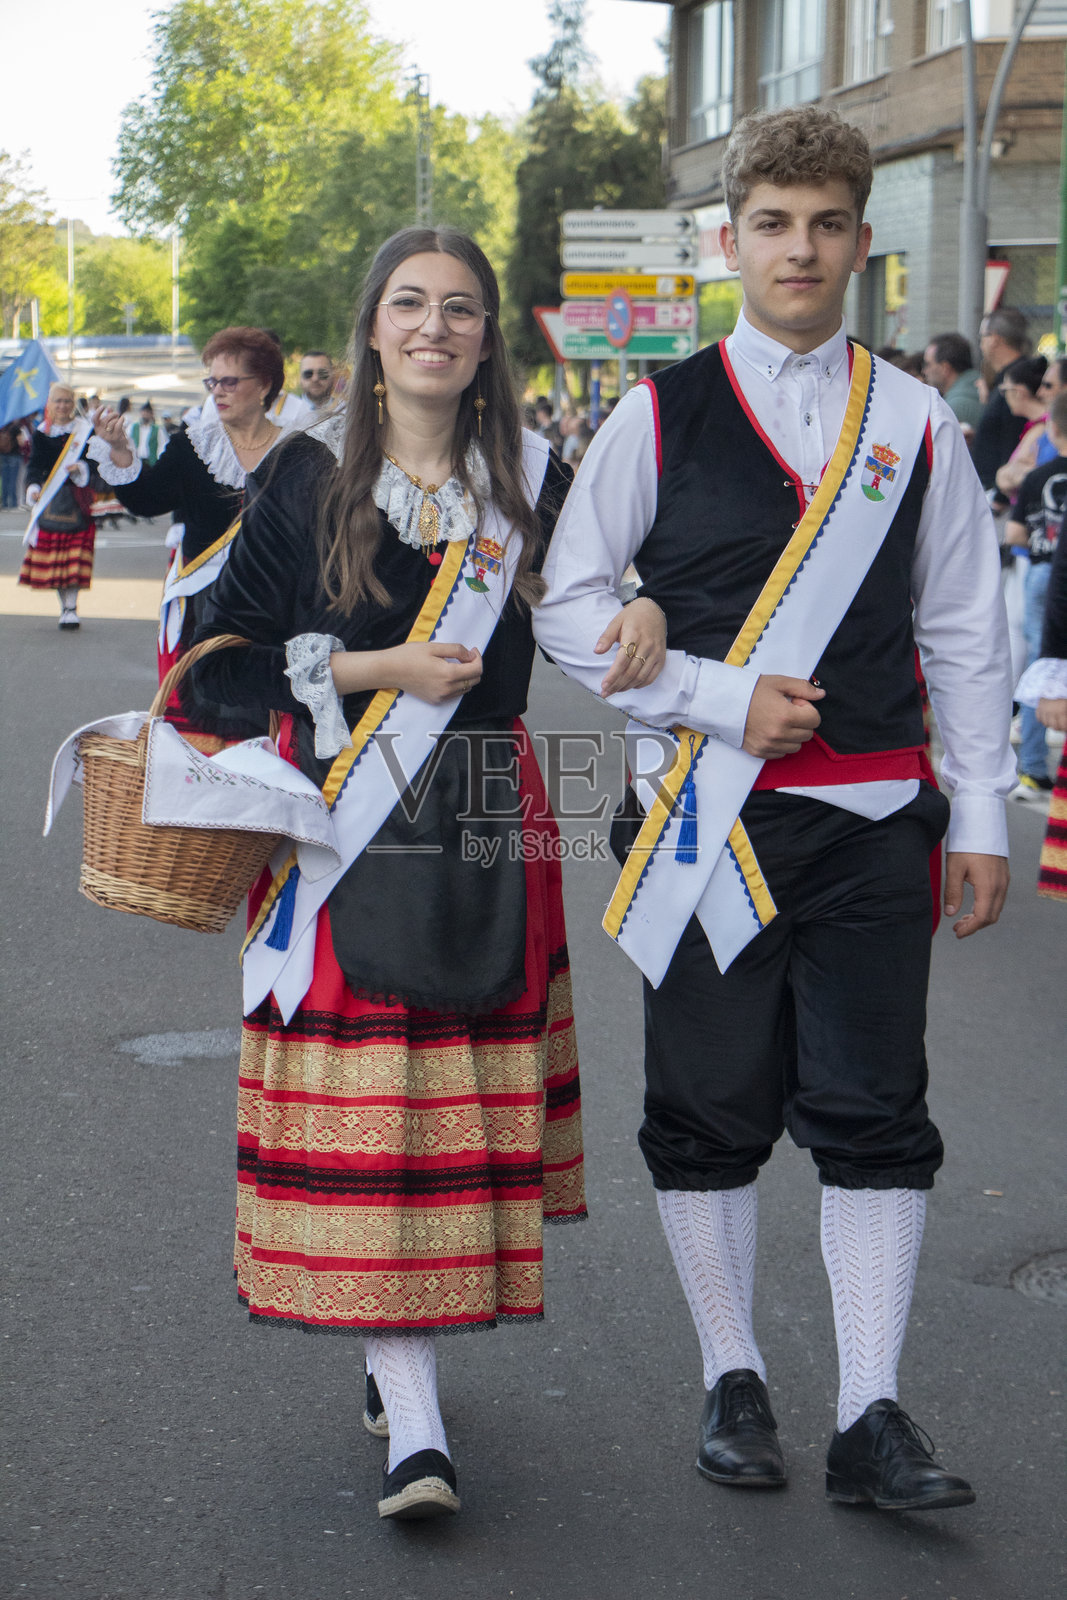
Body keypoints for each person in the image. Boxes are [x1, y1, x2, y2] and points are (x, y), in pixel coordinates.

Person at [533, 104, 1015, 1514]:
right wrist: (699, 692)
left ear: (860, 245)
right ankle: (730, 1374)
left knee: (872, 1110)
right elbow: (565, 598)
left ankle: (867, 1408)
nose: (795, 248)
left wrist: (979, 814)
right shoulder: (651, 413)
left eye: (821, 226)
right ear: (724, 240)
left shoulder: (915, 422)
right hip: (700, 819)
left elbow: (965, 631)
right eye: (769, 224)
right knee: (706, 1106)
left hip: (871, 816)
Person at [184, 226, 665, 1524]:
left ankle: (395, 1364)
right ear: (372, 328)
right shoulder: (302, 483)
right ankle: (420, 1426)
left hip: (480, 822)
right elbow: (219, 660)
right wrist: (371, 670)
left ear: (486, 336)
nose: (433, 326)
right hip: (340, 820)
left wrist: (649, 612)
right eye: (409, 304)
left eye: (459, 308)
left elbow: (591, 616)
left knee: (440, 1120)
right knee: (379, 1120)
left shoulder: (531, 484)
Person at [88, 327, 290, 748]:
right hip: (207, 604)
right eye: (212, 381)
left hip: (277, 607)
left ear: (265, 384)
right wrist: (121, 451)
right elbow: (147, 499)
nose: (218, 391)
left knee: (268, 727)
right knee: (204, 729)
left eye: (230, 381)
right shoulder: (194, 446)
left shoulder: (298, 449)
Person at [1004, 390, 1067, 798]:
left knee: (1041, 663)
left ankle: (1030, 765)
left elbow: (1014, 535)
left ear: (1054, 428)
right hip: (1054, 577)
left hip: (1044, 571)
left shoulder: (1036, 477)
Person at [17, 383, 96, 629]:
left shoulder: (85, 431)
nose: (62, 406)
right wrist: (33, 486)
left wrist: (81, 468)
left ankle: (71, 608)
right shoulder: (41, 434)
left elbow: (95, 464)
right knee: (57, 560)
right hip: (51, 503)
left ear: (74, 404)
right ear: (49, 405)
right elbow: (34, 467)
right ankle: (65, 607)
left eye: (67, 401)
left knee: (74, 559)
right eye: (58, 401)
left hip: (79, 502)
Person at [972, 307, 1031, 495]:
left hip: (1002, 494)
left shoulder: (1016, 381)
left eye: (982, 337)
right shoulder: (1005, 380)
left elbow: (1014, 436)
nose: (981, 344)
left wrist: (1001, 495)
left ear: (995, 339)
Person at [994, 356, 1048, 501]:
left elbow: (1008, 479)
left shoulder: (1044, 428)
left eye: (1004, 390)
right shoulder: (1038, 426)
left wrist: (1011, 473)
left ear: (1019, 392)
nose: (1004, 397)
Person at [922, 333, 983, 434]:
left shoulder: (954, 407)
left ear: (945, 368)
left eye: (928, 364)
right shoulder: (980, 387)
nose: (924, 371)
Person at [128, 400, 168, 466]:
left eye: (147, 413)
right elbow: (127, 441)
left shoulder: (157, 430)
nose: (145, 415)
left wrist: (160, 460)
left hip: (150, 462)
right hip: (135, 461)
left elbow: (162, 445)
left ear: (151, 414)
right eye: (143, 412)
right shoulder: (133, 427)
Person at [298, 350, 338, 415]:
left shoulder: (347, 412)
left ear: (332, 376)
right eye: (308, 374)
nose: (315, 379)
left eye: (322, 373)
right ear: (300, 378)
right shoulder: (287, 413)